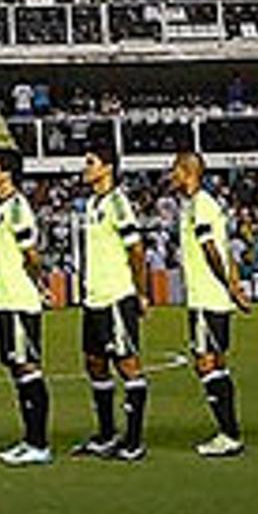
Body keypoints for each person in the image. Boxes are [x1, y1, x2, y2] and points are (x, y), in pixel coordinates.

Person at [72, 150, 149, 461]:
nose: (85, 167)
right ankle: (106, 434)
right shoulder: (92, 204)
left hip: (117, 296)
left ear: (108, 168)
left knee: (127, 364)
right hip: (94, 299)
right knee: (94, 363)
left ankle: (133, 441)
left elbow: (137, 251)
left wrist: (141, 293)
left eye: (91, 162)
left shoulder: (118, 203)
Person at [170, 150, 246, 458]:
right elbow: (225, 248)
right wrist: (233, 282)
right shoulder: (194, 204)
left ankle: (229, 434)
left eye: (175, 169)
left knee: (206, 363)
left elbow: (212, 248)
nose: (172, 174)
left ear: (188, 172)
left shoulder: (201, 203)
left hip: (206, 297)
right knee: (216, 362)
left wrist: (228, 285)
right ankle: (229, 431)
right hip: (208, 296)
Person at [0, 147, 51, 466]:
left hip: (20, 300)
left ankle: (38, 443)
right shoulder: (3, 208)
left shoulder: (18, 208)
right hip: (7, 301)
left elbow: (32, 254)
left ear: (6, 173)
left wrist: (38, 284)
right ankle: (29, 439)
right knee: (17, 369)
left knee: (28, 368)